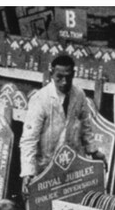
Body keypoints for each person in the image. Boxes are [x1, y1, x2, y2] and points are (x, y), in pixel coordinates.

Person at [20, 53, 106, 197]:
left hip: (71, 162)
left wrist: (93, 150)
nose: (64, 82)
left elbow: (86, 125)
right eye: (59, 77)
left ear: (74, 74)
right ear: (51, 74)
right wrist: (28, 172)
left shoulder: (79, 95)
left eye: (68, 77)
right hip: (46, 165)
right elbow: (29, 139)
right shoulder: (40, 99)